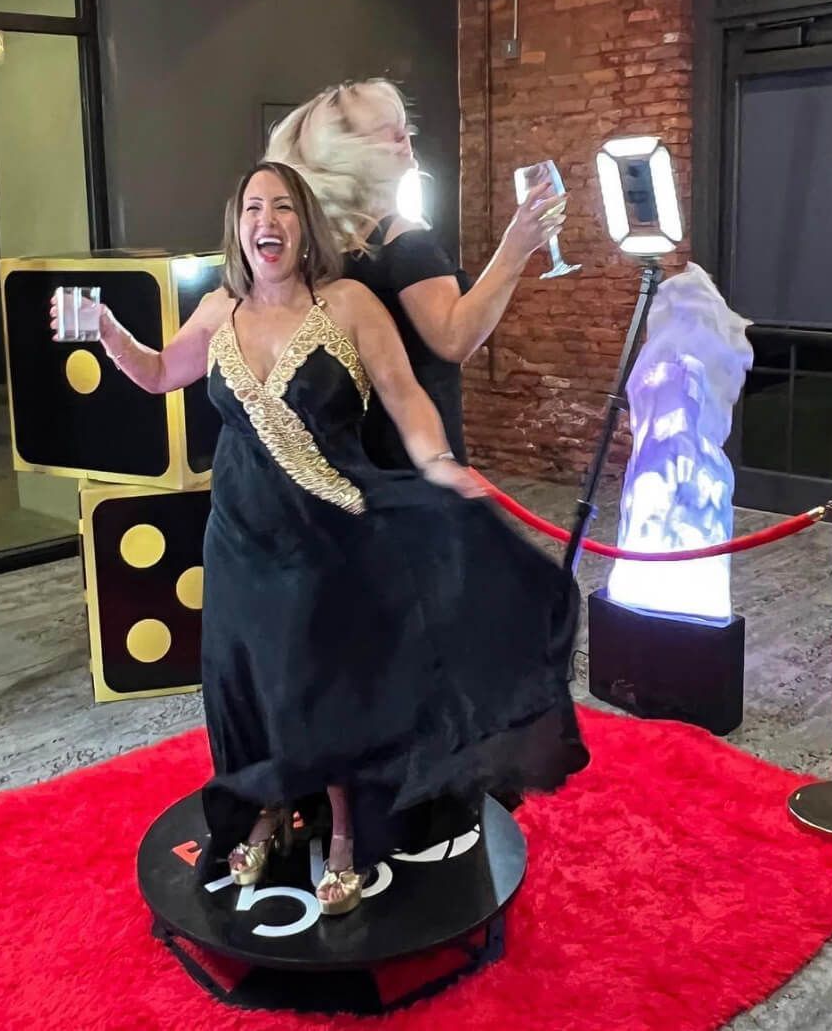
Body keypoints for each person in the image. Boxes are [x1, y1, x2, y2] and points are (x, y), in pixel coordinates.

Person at [54, 161, 586, 916]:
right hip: (238, 539)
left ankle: (343, 834)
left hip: (328, 534)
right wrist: (109, 333)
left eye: (280, 207)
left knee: (323, 687)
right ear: (238, 227)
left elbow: (405, 396)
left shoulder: (350, 303)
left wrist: (438, 464)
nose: (264, 220)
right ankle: (268, 810)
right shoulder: (218, 309)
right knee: (248, 683)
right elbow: (157, 373)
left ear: (303, 224)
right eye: (251, 208)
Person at [265, 78, 564, 469]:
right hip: (417, 450)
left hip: (350, 450)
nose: (408, 140)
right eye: (393, 134)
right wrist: (516, 247)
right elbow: (455, 338)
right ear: (357, 156)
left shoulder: (324, 246)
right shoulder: (406, 243)